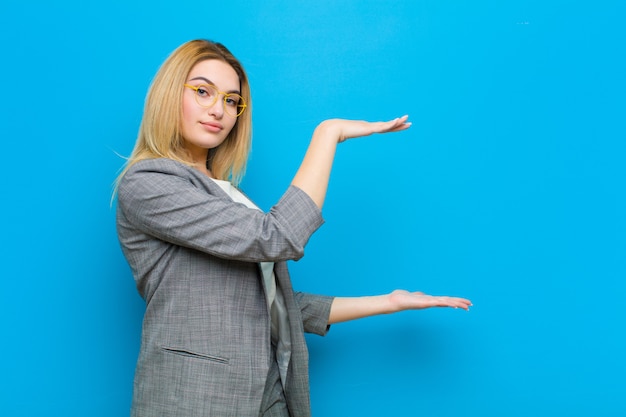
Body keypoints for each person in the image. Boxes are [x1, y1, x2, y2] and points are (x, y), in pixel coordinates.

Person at [115, 39, 471, 417]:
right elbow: (277, 236)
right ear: (170, 94)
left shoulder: (227, 195)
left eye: (231, 100)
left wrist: (389, 302)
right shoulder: (148, 183)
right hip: (197, 398)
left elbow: (268, 304)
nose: (218, 110)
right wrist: (328, 133)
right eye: (203, 92)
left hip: (270, 391)